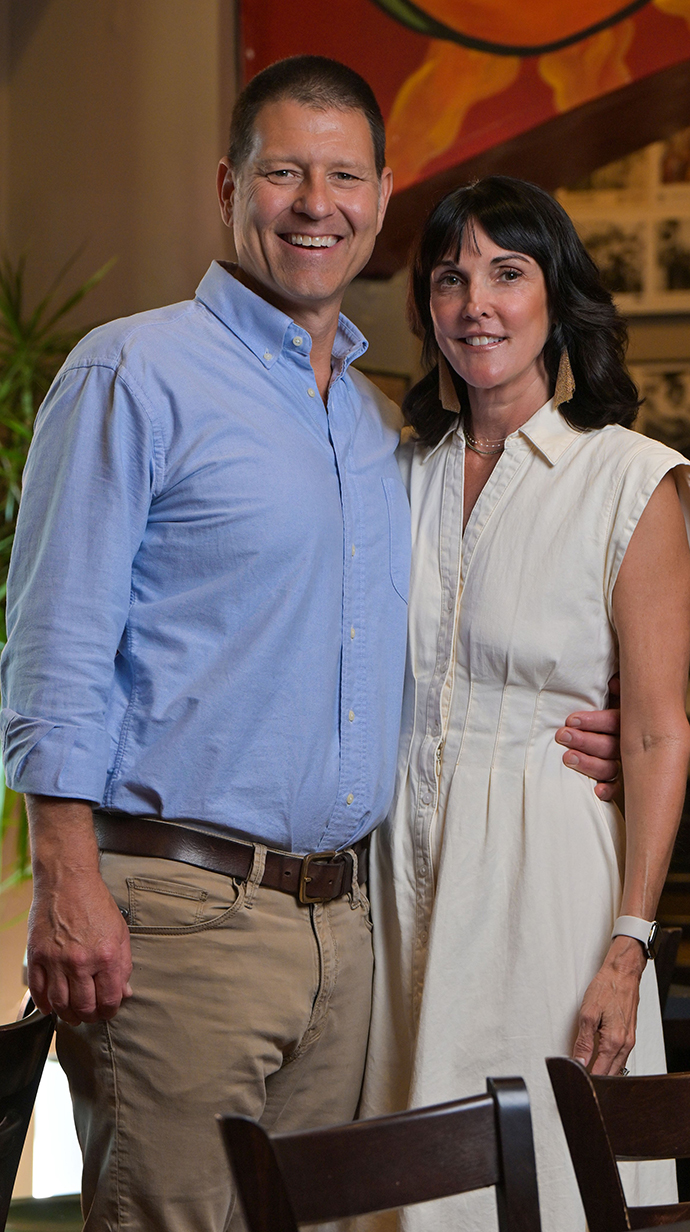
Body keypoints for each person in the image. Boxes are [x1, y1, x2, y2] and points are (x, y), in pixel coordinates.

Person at [0, 63, 619, 1232]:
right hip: (178, 917)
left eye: (343, 176)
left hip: (349, 930)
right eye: (284, 171)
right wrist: (65, 878)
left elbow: (454, 643)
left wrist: (598, 719)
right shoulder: (134, 372)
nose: (314, 203)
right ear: (229, 186)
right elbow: (53, 641)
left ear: (382, 198)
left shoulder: (383, 425)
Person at [359, 176, 690, 1232]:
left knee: (541, 1171)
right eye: (450, 278)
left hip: (547, 878)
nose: (476, 304)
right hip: (394, 876)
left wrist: (629, 946)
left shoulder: (629, 478)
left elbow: (656, 729)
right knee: (399, 1178)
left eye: (508, 273)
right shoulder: (395, 472)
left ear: (558, 295)